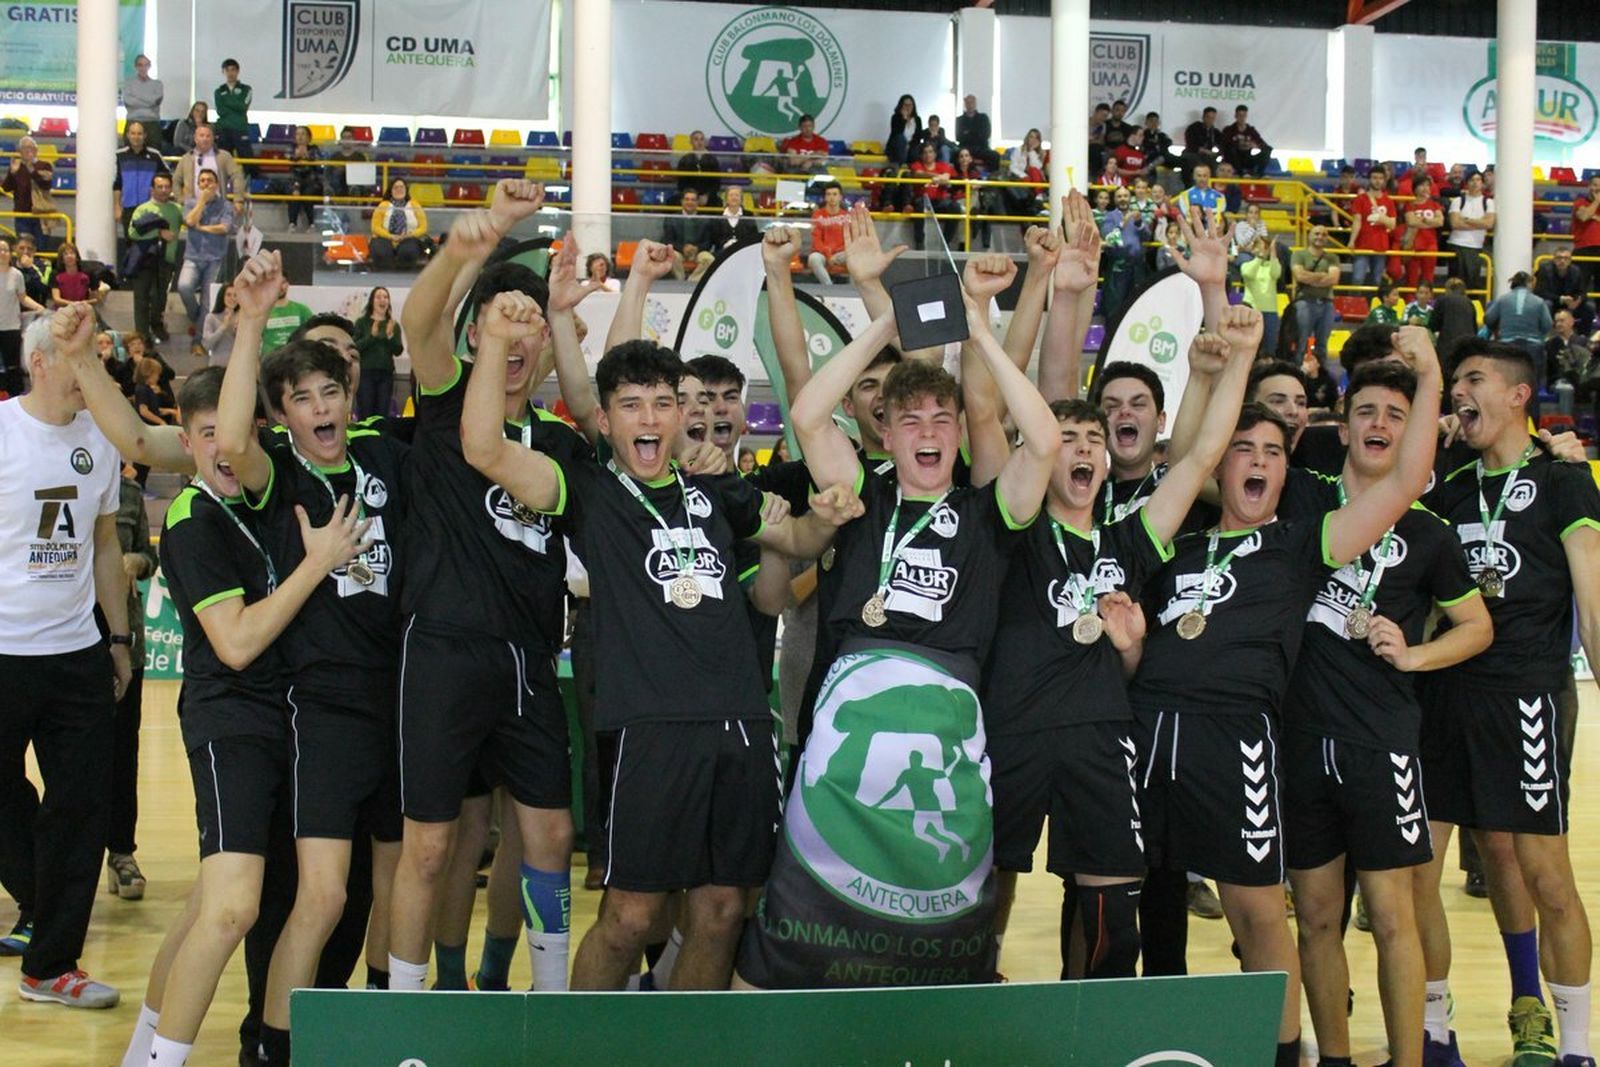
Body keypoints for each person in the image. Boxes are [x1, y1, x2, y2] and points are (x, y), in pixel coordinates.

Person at [734, 251, 1060, 991]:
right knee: (789, 943)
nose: (928, 428)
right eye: (909, 416)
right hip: (844, 751)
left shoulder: (989, 513)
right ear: (885, 432)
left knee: (930, 952)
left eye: (942, 417)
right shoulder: (859, 494)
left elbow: (1042, 440)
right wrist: (885, 316)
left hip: (944, 738)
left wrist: (977, 326)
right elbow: (812, 410)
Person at [99, 359, 368, 1067]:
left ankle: (140, 1052)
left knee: (205, 906)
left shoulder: (267, 491)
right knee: (231, 908)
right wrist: (318, 564)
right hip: (233, 721)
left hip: (289, 720)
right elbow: (240, 641)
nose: (222, 446)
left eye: (234, 430)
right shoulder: (191, 522)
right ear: (186, 442)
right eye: (206, 433)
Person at [987, 311, 1260, 983]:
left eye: (1092, 439)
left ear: (1107, 459)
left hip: (1104, 740)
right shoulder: (1008, 527)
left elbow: (1199, 456)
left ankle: (1097, 1036)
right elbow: (982, 411)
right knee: (980, 900)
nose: (1081, 448)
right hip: (1010, 736)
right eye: (1066, 438)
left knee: (1113, 922)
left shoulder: (1130, 540)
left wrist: (1244, 354)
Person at [386, 181, 588, 995]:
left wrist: (558, 315)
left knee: (549, 830)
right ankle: (411, 1001)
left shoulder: (560, 447)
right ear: (474, 337)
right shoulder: (438, 404)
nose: (518, 341)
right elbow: (415, 322)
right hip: (439, 651)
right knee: (431, 845)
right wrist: (472, 246)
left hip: (529, 660)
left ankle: (549, 995)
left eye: (530, 330)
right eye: (502, 323)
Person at [213, 251, 410, 1067]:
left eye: (331, 391)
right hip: (321, 709)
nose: (321, 406)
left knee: (394, 894)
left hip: (399, 699)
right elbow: (228, 439)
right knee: (323, 895)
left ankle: (381, 1031)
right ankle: (270, 1046)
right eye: (303, 397)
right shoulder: (281, 475)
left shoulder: (384, 458)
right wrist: (252, 321)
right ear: (284, 415)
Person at [1283, 351, 1491, 1067]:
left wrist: (1412, 655)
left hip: (1382, 740)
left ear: (1410, 436)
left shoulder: (1430, 531)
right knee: (1314, 917)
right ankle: (1335, 1058)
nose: (1379, 424)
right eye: (1366, 411)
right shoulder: (1301, 496)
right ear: (1341, 427)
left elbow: (1477, 627)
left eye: (1396, 416)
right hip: (1300, 739)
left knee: (1394, 914)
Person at [1414, 339, 1600, 1067]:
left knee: (1546, 873)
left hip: (1526, 698)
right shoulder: (1451, 487)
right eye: (1455, 380)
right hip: (1442, 700)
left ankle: (1575, 1045)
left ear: (1520, 395)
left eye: (1475, 380)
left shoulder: (1564, 479)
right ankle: (1433, 1031)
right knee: (1416, 871)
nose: (1462, 392)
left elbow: (1590, 590)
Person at [0, 306, 133, 1011]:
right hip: (4, 649)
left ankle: (52, 964)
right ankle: (39, 894)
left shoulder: (101, 440)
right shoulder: (2, 432)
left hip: (75, 650)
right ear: (41, 360)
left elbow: (105, 545)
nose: (91, 371)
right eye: (77, 357)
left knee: (82, 805)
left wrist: (117, 638)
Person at [107, 459, 158, 904]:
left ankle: (121, 853)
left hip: (127, 646)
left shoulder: (128, 495)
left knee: (123, 757)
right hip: (66, 646)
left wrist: (138, 561)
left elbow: (149, 554)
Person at [177, 168, 235, 356]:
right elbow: (190, 221)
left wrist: (203, 227)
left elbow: (224, 228)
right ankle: (196, 317)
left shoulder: (225, 205)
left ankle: (198, 342)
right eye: (202, 181)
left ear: (217, 184)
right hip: (192, 256)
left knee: (207, 300)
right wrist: (201, 201)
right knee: (184, 287)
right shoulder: (191, 203)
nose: (206, 184)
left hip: (215, 257)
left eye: (210, 180)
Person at [126, 173, 183, 344]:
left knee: (160, 298)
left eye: (167, 186)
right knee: (142, 299)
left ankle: (156, 324)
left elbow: (191, 221)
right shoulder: (143, 209)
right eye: (160, 186)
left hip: (166, 260)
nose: (164, 190)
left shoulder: (176, 210)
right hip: (144, 260)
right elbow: (132, 232)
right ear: (152, 189)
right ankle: (142, 337)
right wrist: (158, 233)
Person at [1485, 272, 1555, 387]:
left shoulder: (1503, 299)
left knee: (1507, 384)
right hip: (1533, 348)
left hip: (1507, 346)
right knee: (1530, 385)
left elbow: (1488, 319)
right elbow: (1547, 325)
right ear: (1529, 283)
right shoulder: (1539, 301)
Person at [1, 238, 51, 397]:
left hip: (11, 327)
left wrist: (39, 307)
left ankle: (14, 397)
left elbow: (23, 298)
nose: (2, 253)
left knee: (13, 366)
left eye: (5, 250)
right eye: (0, 250)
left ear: (10, 253)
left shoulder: (16, 275)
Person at [1292, 225, 1340, 369]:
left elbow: (1333, 279)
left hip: (1327, 304)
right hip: (1304, 303)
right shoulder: (1299, 255)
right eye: (1317, 233)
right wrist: (1322, 276)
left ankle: (1321, 376)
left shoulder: (1332, 257)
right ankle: (1297, 374)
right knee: (1301, 342)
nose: (1320, 237)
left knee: (1322, 345)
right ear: (1309, 235)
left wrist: (1310, 277)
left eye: (1324, 234)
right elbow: (1299, 276)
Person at [353, 286, 403, 418]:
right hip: (365, 374)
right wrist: (371, 336)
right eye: (378, 297)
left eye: (386, 297)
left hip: (386, 375)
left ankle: (380, 438)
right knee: (366, 412)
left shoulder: (393, 324)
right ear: (372, 301)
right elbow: (355, 348)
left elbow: (398, 350)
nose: (383, 300)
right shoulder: (361, 323)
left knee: (382, 414)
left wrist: (390, 336)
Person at [172, 122, 248, 208]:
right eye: (202, 136)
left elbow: (237, 176)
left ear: (213, 138)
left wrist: (238, 199)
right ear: (195, 138)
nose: (205, 139)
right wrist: (180, 200)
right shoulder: (186, 158)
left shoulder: (224, 156)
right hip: (193, 207)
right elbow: (176, 180)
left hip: (219, 207)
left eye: (208, 136)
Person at [112, 121, 170, 230]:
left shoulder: (155, 155)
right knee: (129, 243)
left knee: (150, 243)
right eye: (133, 133)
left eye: (139, 133)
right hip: (128, 208)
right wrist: (117, 207)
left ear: (145, 136)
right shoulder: (120, 156)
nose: (136, 137)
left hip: (151, 208)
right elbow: (117, 184)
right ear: (128, 135)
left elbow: (167, 178)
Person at [1348, 165, 1396, 293]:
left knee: (1377, 280)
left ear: (1384, 180)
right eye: (1374, 177)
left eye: (1380, 178)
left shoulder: (1389, 201)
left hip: (1381, 245)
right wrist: (1352, 240)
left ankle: (1375, 306)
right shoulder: (1360, 199)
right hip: (1362, 244)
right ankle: (1354, 305)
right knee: (1357, 279)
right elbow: (1357, 222)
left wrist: (1381, 219)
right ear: (1369, 179)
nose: (1377, 181)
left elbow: (1393, 224)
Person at [369, 179, 434, 270]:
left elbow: (423, 227)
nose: (399, 189)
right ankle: (384, 281)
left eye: (401, 187)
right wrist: (391, 236)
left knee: (408, 252)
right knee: (381, 252)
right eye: (395, 187)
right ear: (390, 191)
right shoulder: (382, 206)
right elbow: (375, 227)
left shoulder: (415, 205)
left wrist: (409, 235)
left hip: (409, 238)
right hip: (384, 238)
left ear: (406, 189)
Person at [1447, 172, 1494, 295]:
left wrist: (1466, 220)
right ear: (1467, 183)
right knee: (1455, 285)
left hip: (1476, 247)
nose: (1475, 183)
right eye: (1472, 180)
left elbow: (1488, 224)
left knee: (1473, 286)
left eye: (1478, 180)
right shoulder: (1458, 200)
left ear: (1482, 183)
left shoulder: (1488, 202)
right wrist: (1479, 223)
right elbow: (1455, 224)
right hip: (1457, 245)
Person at [2, 137, 56, 244]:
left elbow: (46, 185)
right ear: (20, 151)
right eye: (24, 148)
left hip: (41, 214)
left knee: (41, 246)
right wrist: (12, 173)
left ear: (36, 150)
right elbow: (6, 188)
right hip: (22, 214)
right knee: (24, 246)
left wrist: (32, 170)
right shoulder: (17, 166)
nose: (28, 151)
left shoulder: (44, 165)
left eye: (31, 147)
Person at [1397, 174, 1444, 290]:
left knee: (1428, 278)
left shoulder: (1434, 204)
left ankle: (1427, 304)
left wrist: (1425, 221)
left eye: (1427, 185)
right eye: (1422, 185)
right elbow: (1411, 222)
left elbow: (1440, 222)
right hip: (1413, 244)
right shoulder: (1410, 204)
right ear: (1415, 188)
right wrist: (1429, 222)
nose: (1425, 188)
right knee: (1411, 279)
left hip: (1430, 245)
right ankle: (1409, 303)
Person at [909, 142, 958, 250]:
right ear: (921, 155)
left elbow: (946, 178)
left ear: (935, 154)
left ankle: (946, 242)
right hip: (923, 200)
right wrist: (935, 176)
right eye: (925, 152)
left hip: (939, 201)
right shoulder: (917, 165)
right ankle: (920, 242)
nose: (928, 155)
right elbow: (918, 174)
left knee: (955, 207)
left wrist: (941, 178)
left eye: (930, 152)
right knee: (919, 206)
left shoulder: (943, 165)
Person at [1242, 236, 1284, 357]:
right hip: (1251, 310)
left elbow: (1276, 273)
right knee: (1249, 349)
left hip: (1270, 311)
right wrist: (1259, 257)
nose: (1262, 250)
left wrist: (1273, 254)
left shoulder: (1272, 265)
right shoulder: (1247, 264)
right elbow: (1248, 274)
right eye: (1259, 246)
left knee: (1269, 349)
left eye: (1265, 247)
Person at [663, 188, 715, 281]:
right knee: (672, 256)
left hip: (698, 252)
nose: (689, 202)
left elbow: (708, 242)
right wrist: (683, 248)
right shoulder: (672, 219)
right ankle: (681, 281)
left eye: (693, 200)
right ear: (682, 201)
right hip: (679, 251)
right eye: (687, 199)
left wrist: (696, 248)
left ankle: (691, 282)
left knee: (709, 259)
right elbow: (668, 241)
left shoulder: (705, 220)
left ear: (697, 202)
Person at [1536, 246, 1589, 328]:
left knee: (1589, 307)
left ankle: (1583, 336)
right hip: (1553, 302)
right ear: (1554, 259)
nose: (1562, 261)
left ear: (1570, 260)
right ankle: (1545, 335)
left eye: (1566, 258)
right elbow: (1539, 292)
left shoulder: (1576, 270)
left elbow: (1583, 292)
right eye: (1559, 258)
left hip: (1570, 304)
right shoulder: (1544, 269)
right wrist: (1560, 298)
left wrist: (1577, 300)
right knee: (1547, 304)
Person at [807, 181, 849, 284]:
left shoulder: (847, 216)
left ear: (840, 197)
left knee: (856, 256)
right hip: (823, 253)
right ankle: (828, 287)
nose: (831, 197)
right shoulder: (817, 215)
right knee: (813, 258)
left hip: (842, 254)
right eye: (828, 194)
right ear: (825, 197)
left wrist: (838, 254)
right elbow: (816, 239)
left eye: (835, 194)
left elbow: (850, 239)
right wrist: (828, 255)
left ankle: (857, 289)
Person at [258, 278, 313, 354]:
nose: (280, 286)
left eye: (283, 282)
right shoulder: (261, 312)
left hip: (296, 359)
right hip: (269, 361)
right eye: (276, 283)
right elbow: (254, 340)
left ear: (288, 284)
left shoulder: (302, 310)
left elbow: (312, 334)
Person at [286, 125, 324, 233]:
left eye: (303, 134)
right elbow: (288, 157)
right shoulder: (291, 148)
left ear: (309, 138)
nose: (300, 137)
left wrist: (308, 156)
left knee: (308, 194)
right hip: (295, 180)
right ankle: (292, 223)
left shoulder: (314, 148)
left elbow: (319, 162)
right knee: (295, 193)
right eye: (298, 134)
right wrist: (297, 156)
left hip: (311, 181)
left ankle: (312, 224)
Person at [121, 55, 164, 150]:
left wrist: (137, 98)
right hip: (133, 122)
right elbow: (129, 101)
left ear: (149, 66)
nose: (143, 68)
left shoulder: (157, 84)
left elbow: (155, 101)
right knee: (129, 154)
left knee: (154, 154)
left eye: (146, 65)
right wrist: (149, 101)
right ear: (136, 67)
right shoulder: (128, 84)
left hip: (152, 124)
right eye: (140, 65)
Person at [1005, 128, 1046, 222]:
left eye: (1036, 138)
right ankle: (1036, 197)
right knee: (1027, 177)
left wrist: (1031, 152)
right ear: (1027, 137)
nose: (1033, 140)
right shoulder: (1018, 150)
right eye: (1031, 137)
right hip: (1020, 177)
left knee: (1034, 170)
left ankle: (1038, 196)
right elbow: (1013, 167)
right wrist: (1023, 175)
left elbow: (1037, 168)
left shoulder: (1039, 153)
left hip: (1034, 179)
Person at [213, 59, 252, 157]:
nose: (230, 73)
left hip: (240, 128)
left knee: (247, 158)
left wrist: (226, 99)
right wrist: (236, 102)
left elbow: (243, 107)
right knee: (223, 159)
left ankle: (249, 173)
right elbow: (221, 111)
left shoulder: (246, 89)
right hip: (223, 129)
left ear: (238, 71)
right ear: (223, 72)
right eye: (227, 70)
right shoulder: (219, 91)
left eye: (233, 70)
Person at [1221, 105, 1272, 176]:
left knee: (1268, 149)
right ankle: (1241, 173)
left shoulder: (1251, 130)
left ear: (1246, 116)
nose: (1242, 118)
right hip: (1234, 158)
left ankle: (1259, 174)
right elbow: (1224, 146)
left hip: (1247, 158)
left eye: (1244, 115)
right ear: (1235, 116)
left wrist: (1255, 145)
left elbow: (1263, 144)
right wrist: (1239, 145)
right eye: (1239, 115)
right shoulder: (1229, 130)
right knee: (1231, 149)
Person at [674, 130, 721, 206]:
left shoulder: (712, 159)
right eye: (696, 139)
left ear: (705, 142)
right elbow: (681, 182)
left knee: (717, 203)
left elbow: (716, 183)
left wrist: (707, 196)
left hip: (707, 195)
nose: (699, 142)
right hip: (689, 195)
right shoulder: (685, 159)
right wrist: (691, 197)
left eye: (702, 139)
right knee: (672, 201)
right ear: (691, 142)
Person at [325, 127, 371, 199]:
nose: (346, 140)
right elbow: (328, 174)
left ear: (354, 140)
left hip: (356, 184)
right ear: (341, 140)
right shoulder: (334, 157)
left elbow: (365, 177)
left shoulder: (360, 157)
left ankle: (354, 192)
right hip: (337, 183)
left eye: (349, 137)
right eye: (344, 137)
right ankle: (332, 194)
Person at [48, 243, 98, 309]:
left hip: (83, 308)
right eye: (66, 254)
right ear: (62, 259)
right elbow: (56, 299)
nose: (69, 256)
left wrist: (83, 304)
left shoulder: (88, 273)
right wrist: (74, 304)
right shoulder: (55, 274)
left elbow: (95, 299)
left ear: (77, 257)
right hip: (62, 309)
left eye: (72, 253)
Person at [1572, 174, 1600, 294]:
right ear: (1589, 186)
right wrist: (1598, 201)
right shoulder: (1580, 203)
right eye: (1595, 185)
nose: (1598, 188)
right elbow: (1583, 217)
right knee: (1580, 287)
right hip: (1584, 250)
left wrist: (1593, 216)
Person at [1181, 107, 1225, 182]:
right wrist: (1205, 151)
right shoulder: (1193, 128)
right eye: (1208, 117)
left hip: (1207, 157)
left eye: (1212, 118)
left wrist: (1219, 153)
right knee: (1199, 165)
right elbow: (1191, 145)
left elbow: (1222, 144)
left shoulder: (1214, 132)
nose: (1210, 120)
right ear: (1203, 117)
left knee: (1216, 165)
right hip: (1192, 155)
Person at [955, 94, 997, 171]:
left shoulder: (983, 117)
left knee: (995, 155)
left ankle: (990, 176)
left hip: (982, 148)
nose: (970, 105)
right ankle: (959, 177)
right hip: (966, 147)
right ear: (965, 104)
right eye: (968, 102)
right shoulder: (959, 120)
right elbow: (958, 137)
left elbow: (986, 135)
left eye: (972, 102)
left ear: (975, 103)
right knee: (954, 154)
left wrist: (968, 133)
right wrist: (977, 133)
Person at [134, 357, 179, 427]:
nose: (158, 377)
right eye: (156, 374)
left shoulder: (149, 389)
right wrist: (161, 421)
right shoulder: (142, 389)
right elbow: (144, 411)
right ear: (149, 373)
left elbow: (153, 409)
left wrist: (171, 411)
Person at [202, 284, 239, 367]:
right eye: (228, 295)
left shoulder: (243, 318)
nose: (232, 298)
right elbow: (207, 345)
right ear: (222, 296)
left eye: (235, 295)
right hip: (217, 367)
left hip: (237, 366)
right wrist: (223, 327)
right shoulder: (211, 317)